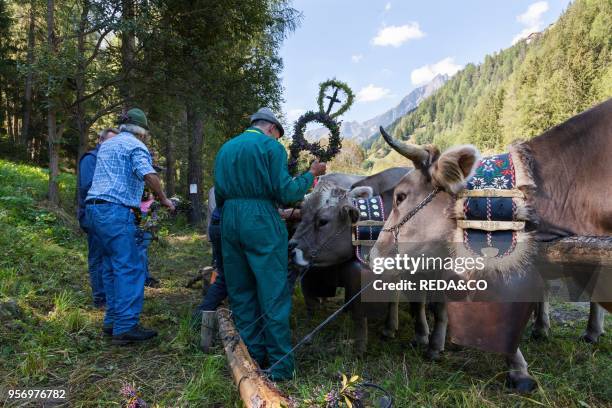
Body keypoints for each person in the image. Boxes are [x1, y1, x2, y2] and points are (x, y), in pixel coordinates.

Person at [214, 107, 326, 380]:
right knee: (273, 292)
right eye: (277, 136)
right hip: (261, 220)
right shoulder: (271, 148)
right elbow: (286, 192)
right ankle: (280, 367)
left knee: (241, 290)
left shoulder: (226, 148)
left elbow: (219, 194)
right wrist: (311, 174)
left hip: (229, 218)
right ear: (272, 129)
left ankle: (251, 357)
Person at [83, 108, 175, 345]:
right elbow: (149, 174)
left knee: (110, 266)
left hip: (93, 209)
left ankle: (112, 321)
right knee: (130, 267)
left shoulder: (108, 145)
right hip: (115, 211)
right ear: (142, 132)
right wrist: (164, 199)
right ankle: (125, 327)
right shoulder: (135, 145)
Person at [77, 128, 119, 308]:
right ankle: (99, 298)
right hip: (92, 213)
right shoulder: (90, 159)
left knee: (108, 255)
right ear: (100, 141)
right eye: (109, 142)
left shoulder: (108, 161)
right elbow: (86, 185)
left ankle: (108, 296)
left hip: (107, 214)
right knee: (97, 257)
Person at [136, 191, 160, 288]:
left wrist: (153, 232)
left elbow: (155, 219)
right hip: (137, 229)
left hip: (146, 231)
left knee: (142, 253)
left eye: (148, 193)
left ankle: (145, 277)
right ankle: (143, 278)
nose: (146, 194)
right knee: (141, 253)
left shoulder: (153, 204)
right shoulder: (136, 202)